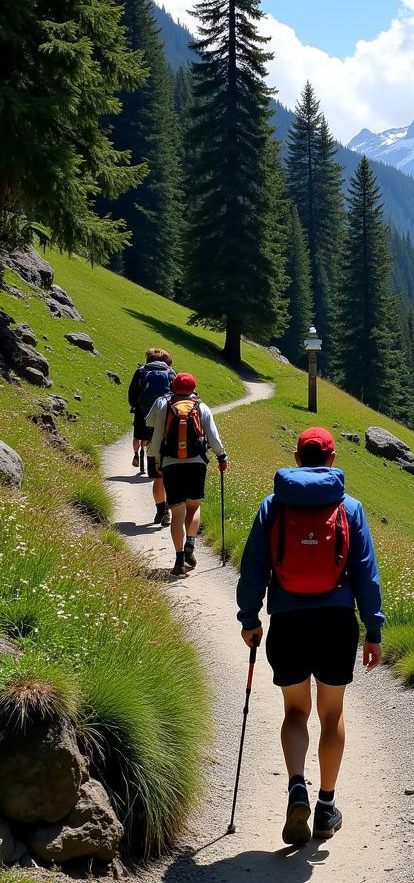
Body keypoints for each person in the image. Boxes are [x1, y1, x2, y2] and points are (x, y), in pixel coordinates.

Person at [236, 427, 384, 846]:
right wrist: (373, 631)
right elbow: (366, 576)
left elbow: (252, 570)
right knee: (332, 715)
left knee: (296, 712)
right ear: (333, 460)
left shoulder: (272, 506)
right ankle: (325, 807)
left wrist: (250, 619)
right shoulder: (349, 507)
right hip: (336, 622)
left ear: (298, 459)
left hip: (288, 622)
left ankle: (296, 787)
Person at [146, 372, 228, 575]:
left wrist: (156, 459)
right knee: (193, 505)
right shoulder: (202, 407)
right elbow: (213, 437)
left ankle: (179, 559)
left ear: (173, 387)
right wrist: (222, 456)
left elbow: (156, 437)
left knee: (177, 512)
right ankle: (191, 542)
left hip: (171, 464)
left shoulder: (166, 407)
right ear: (193, 388)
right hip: (196, 463)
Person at [126, 348, 175, 523]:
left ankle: (160, 511)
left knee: (157, 476)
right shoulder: (170, 373)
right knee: (169, 472)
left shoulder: (141, 372)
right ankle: (168, 511)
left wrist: (137, 407)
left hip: (144, 420)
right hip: (167, 424)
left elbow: (132, 395)